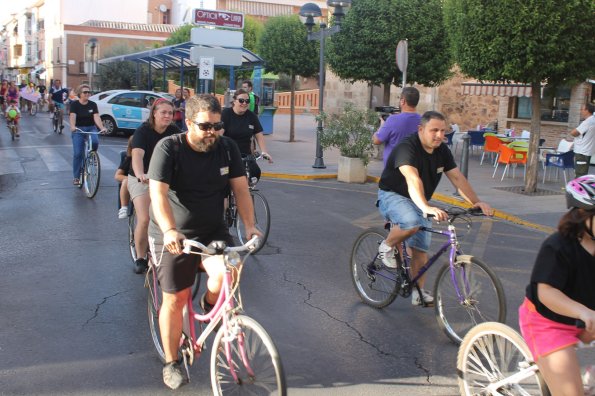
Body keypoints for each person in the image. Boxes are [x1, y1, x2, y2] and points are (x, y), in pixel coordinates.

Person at [147, 94, 260, 389]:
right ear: (188, 123)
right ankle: (171, 362)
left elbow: (241, 189)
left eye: (216, 125)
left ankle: (209, 302)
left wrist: (250, 226)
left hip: (212, 231)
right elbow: (157, 195)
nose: (212, 132)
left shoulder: (227, 148)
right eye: (205, 126)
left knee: (229, 274)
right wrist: (170, 230)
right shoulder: (168, 148)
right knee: (176, 297)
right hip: (174, 235)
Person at [376, 111, 492, 306]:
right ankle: (386, 246)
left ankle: (418, 291)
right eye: (434, 130)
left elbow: (456, 178)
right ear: (421, 130)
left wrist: (475, 202)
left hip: (420, 200)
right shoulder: (407, 148)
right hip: (392, 195)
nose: (439, 135)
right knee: (411, 223)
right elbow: (413, 179)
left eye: (443, 131)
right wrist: (425, 207)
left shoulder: (442, 151)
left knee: (421, 250)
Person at [518, 175, 595, 396]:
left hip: (587, 319)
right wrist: (583, 311)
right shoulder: (557, 247)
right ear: (583, 216)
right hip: (548, 324)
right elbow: (546, 293)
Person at [128, 98, 180, 274]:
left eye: (170, 113)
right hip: (142, 178)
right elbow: (137, 156)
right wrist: (141, 173)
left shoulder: (174, 131)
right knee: (145, 218)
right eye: (163, 112)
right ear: (154, 113)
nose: (167, 116)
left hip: (164, 179)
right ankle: (140, 256)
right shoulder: (143, 131)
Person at [221, 89, 272, 182]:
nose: (244, 103)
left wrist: (264, 151)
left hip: (245, 156)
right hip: (227, 156)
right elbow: (219, 135)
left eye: (247, 101)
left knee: (255, 172)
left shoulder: (251, 116)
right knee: (223, 176)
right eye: (241, 100)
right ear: (234, 101)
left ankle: (248, 192)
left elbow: (259, 135)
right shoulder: (226, 114)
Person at [372, 86, 421, 167]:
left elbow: (376, 140)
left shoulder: (392, 120)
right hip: (414, 167)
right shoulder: (423, 121)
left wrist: (381, 126)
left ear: (403, 101)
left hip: (393, 168)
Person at [69, 84, 105, 186]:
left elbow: (96, 117)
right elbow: (72, 117)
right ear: (80, 94)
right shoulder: (75, 105)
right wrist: (72, 126)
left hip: (91, 127)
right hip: (78, 129)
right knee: (78, 153)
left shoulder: (93, 104)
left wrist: (102, 128)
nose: (87, 94)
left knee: (95, 141)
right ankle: (76, 177)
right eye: (85, 92)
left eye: (89, 92)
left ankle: (92, 156)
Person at [569, 103, 595, 178]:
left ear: (587, 110)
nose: (581, 111)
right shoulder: (593, 120)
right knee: (582, 173)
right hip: (587, 150)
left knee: (580, 175)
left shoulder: (587, 122)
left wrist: (574, 130)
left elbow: (573, 133)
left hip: (582, 152)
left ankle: (578, 189)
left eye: (582, 109)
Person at [115, 137, 133, 219]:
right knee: (126, 181)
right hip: (132, 182)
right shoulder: (129, 159)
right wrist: (129, 178)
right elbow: (117, 176)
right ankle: (124, 207)